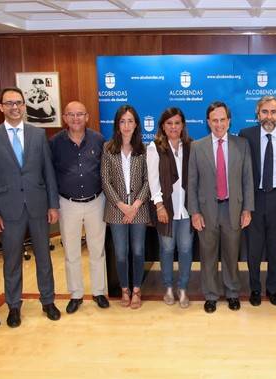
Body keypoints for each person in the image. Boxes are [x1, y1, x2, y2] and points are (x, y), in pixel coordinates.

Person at [0, 87, 61, 327]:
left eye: (18, 102)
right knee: (12, 261)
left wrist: (53, 204)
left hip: (38, 207)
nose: (14, 107)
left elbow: (48, 173)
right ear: (1, 107)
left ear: (24, 106)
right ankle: (14, 306)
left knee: (44, 258)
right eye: (9, 103)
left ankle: (48, 301)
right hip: (8, 210)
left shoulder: (38, 134)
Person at [187, 101, 254, 313]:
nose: (218, 124)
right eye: (214, 120)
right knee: (207, 256)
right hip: (207, 211)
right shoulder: (197, 147)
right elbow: (192, 182)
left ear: (229, 121)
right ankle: (211, 295)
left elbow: (247, 180)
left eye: (222, 119)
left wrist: (247, 209)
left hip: (233, 209)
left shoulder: (241, 144)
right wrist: (194, 212)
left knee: (231, 254)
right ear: (208, 122)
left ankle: (233, 292)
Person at [50, 101, 110, 314]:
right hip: (67, 203)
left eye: (80, 115)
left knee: (97, 249)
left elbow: (106, 173)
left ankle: (99, 291)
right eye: (71, 115)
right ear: (65, 118)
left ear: (87, 117)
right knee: (72, 252)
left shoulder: (99, 140)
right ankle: (76, 294)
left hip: (96, 201)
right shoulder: (55, 143)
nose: (76, 119)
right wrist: (52, 205)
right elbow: (49, 176)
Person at [239, 96, 276, 307]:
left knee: (274, 248)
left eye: (273, 112)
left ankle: (273, 289)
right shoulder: (247, 135)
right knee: (253, 249)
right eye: (265, 112)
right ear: (257, 114)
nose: (269, 116)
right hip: (254, 198)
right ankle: (254, 288)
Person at [101, 104, 150, 310]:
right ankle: (124, 289)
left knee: (138, 251)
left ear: (136, 124)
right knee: (121, 252)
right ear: (117, 125)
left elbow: (149, 181)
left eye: (130, 121)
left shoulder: (144, 149)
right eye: (123, 121)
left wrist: (135, 205)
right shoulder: (108, 148)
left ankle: (137, 289)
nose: (127, 125)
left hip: (139, 209)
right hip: (116, 211)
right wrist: (123, 206)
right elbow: (105, 180)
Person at [146, 107, 194, 308]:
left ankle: (182, 288)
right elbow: (153, 180)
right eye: (169, 123)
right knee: (166, 249)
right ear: (163, 127)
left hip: (186, 210)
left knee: (185, 249)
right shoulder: (154, 148)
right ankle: (168, 288)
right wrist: (159, 206)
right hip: (165, 209)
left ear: (183, 125)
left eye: (177, 123)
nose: (173, 127)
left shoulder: (192, 146)